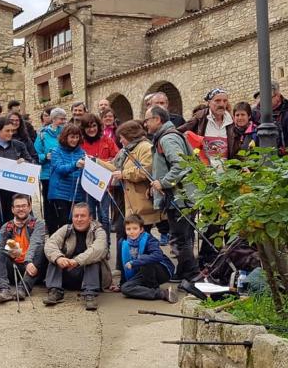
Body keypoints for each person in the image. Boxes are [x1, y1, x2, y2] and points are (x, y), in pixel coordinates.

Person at [144, 106, 199, 281]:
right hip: (180, 196)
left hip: (180, 197)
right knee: (183, 238)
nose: (145, 124)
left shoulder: (167, 139)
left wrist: (163, 182)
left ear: (157, 120)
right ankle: (185, 273)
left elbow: (181, 164)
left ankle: (190, 274)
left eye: (147, 120)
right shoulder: (168, 136)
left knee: (180, 239)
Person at [111, 121, 163, 273]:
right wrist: (94, 162)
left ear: (130, 136)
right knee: (123, 233)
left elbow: (146, 169)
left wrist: (124, 174)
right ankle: (122, 268)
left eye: (122, 138)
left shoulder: (144, 147)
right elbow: (115, 166)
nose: (120, 141)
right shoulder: (125, 150)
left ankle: (141, 269)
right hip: (127, 199)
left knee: (141, 237)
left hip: (140, 201)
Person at [43, 202, 111, 311]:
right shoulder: (66, 229)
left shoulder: (99, 231)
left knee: (92, 258)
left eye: (83, 216)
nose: (79, 219)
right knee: (54, 257)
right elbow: (50, 244)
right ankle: (55, 291)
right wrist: (59, 258)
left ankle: (90, 295)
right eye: (76, 216)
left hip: (90, 276)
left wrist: (77, 261)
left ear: (90, 218)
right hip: (68, 272)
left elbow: (99, 249)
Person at [0, 194, 47, 302]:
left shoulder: (38, 223)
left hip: (32, 267)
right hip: (15, 267)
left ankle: (23, 288)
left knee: (41, 249)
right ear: (12, 209)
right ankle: (4, 290)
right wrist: (10, 250)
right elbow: (0, 248)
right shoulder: (7, 226)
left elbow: (35, 244)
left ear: (30, 207)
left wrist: (28, 262)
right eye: (17, 206)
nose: (21, 209)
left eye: (24, 206)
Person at [0, 117, 33, 227]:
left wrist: (25, 162)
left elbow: (31, 162)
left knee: (17, 220)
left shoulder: (19, 146)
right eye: (7, 131)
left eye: (12, 131)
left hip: (15, 191)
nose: (10, 133)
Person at [118, 215, 177, 302]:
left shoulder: (149, 239)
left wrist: (135, 262)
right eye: (128, 229)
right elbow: (123, 265)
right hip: (141, 273)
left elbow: (158, 255)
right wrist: (121, 283)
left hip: (161, 271)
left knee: (145, 259)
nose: (131, 232)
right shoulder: (123, 243)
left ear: (141, 229)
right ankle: (162, 293)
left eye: (135, 228)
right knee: (125, 288)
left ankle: (151, 287)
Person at [79, 112, 119, 237]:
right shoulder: (80, 143)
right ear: (84, 129)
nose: (91, 129)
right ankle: (92, 244)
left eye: (94, 126)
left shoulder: (107, 140)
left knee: (104, 217)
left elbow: (116, 159)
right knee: (90, 216)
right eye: (88, 127)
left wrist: (100, 162)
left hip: (103, 184)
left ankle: (105, 246)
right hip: (88, 184)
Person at [179, 88, 237, 168]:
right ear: (209, 103)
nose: (221, 104)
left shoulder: (231, 121)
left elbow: (236, 148)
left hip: (226, 172)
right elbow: (179, 132)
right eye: (217, 101)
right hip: (204, 171)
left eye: (225, 101)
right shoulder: (200, 117)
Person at [35, 107, 67, 231]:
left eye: (65, 118)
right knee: (49, 205)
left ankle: (64, 230)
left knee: (62, 204)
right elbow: (35, 154)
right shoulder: (42, 134)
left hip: (63, 173)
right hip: (47, 174)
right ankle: (52, 230)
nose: (64, 121)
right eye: (61, 119)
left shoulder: (65, 133)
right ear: (53, 119)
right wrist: (45, 156)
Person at [48, 124, 85, 224]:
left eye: (77, 137)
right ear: (65, 137)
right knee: (63, 223)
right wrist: (75, 165)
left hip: (76, 194)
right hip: (60, 194)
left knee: (75, 224)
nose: (75, 140)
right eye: (72, 137)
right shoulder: (56, 151)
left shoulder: (82, 153)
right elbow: (59, 169)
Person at [252, 82, 288, 154]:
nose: (263, 101)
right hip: (260, 160)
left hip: (281, 161)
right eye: (261, 97)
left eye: (267, 97)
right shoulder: (254, 113)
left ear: (277, 96)